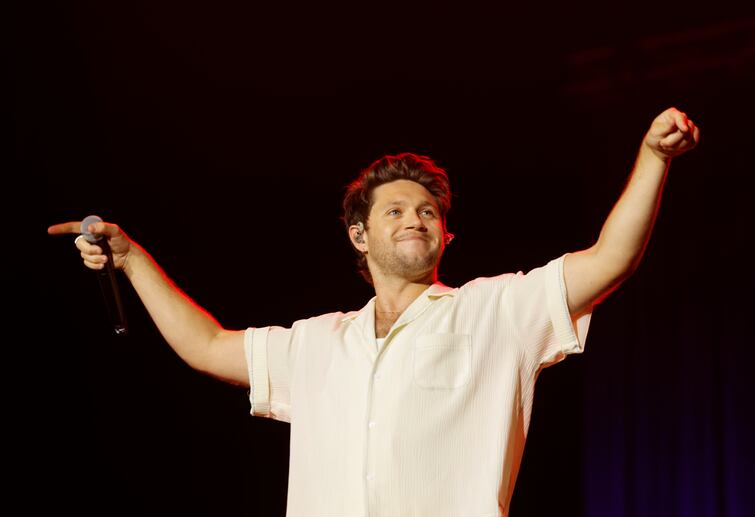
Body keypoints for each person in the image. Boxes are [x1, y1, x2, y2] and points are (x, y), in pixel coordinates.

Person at [48, 107, 700, 516]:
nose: (415, 216)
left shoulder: (495, 311)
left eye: (428, 211)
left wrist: (652, 157)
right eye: (394, 209)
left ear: (447, 236)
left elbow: (611, 257)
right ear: (360, 236)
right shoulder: (318, 343)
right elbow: (207, 343)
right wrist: (131, 257)